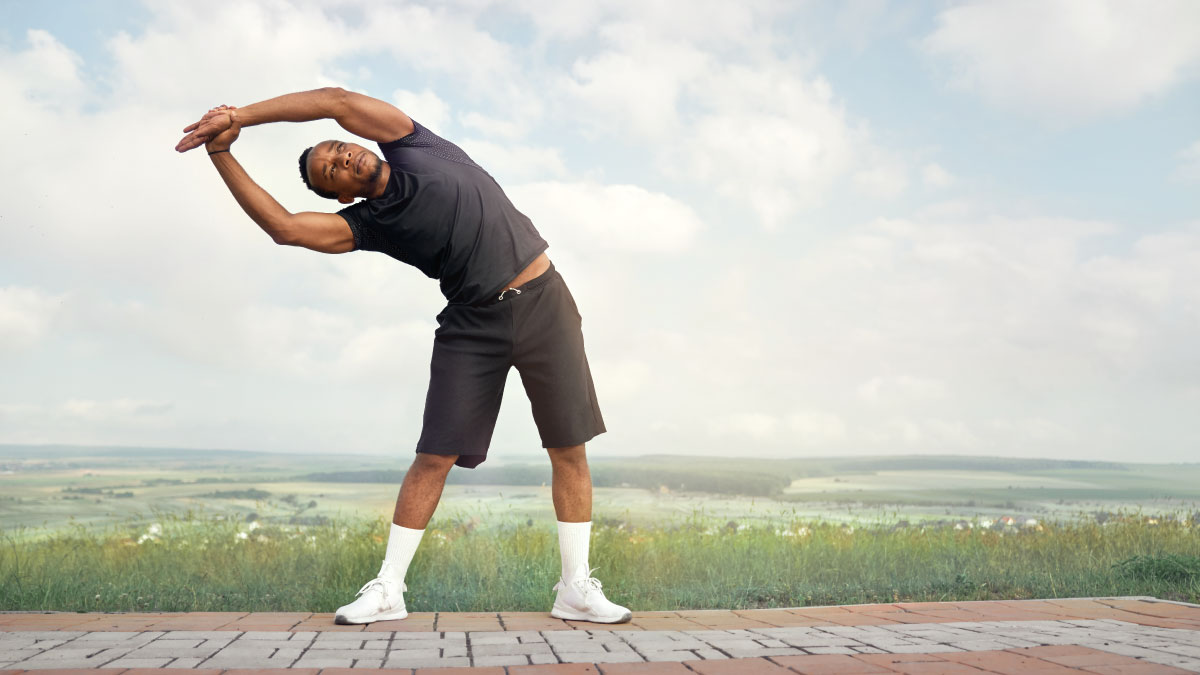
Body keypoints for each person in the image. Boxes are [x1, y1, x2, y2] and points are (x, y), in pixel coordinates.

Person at [175, 87, 631, 625]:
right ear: (340, 196)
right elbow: (286, 228)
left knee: (567, 447)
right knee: (434, 455)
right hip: (471, 324)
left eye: (336, 148)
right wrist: (221, 152)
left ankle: (575, 589)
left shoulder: (419, 146)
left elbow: (335, 100)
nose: (341, 157)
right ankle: (388, 589)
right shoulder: (369, 224)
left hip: (546, 303)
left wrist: (238, 116)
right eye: (330, 171)